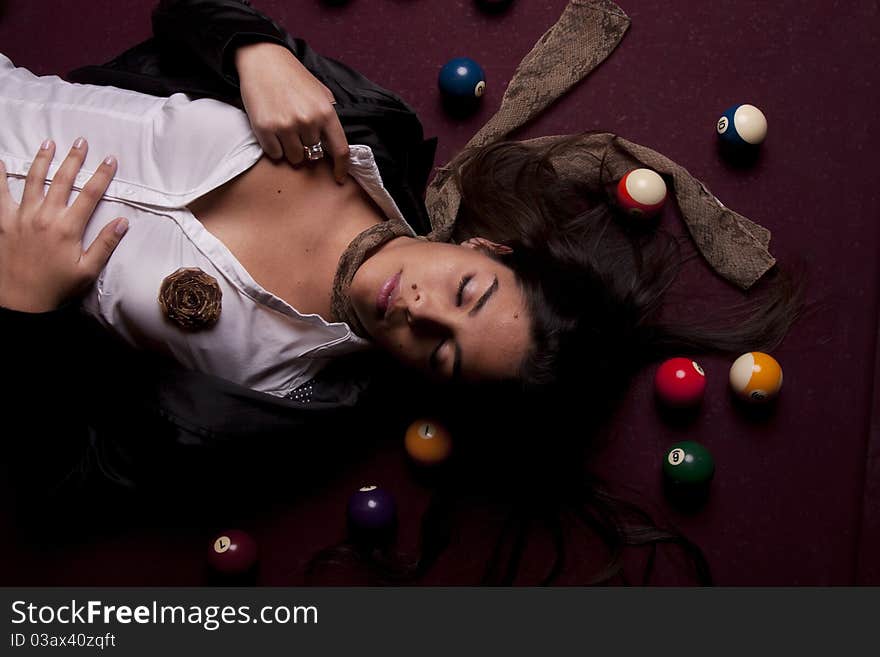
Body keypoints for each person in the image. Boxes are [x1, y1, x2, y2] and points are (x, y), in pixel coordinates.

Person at [0, 0, 807, 584]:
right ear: (487, 246)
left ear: (431, 382)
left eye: (443, 351)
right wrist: (252, 48)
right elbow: (182, 13)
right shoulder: (368, 129)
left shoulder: (276, 401)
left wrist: (29, 310)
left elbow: (59, 489)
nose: (418, 309)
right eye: (466, 289)